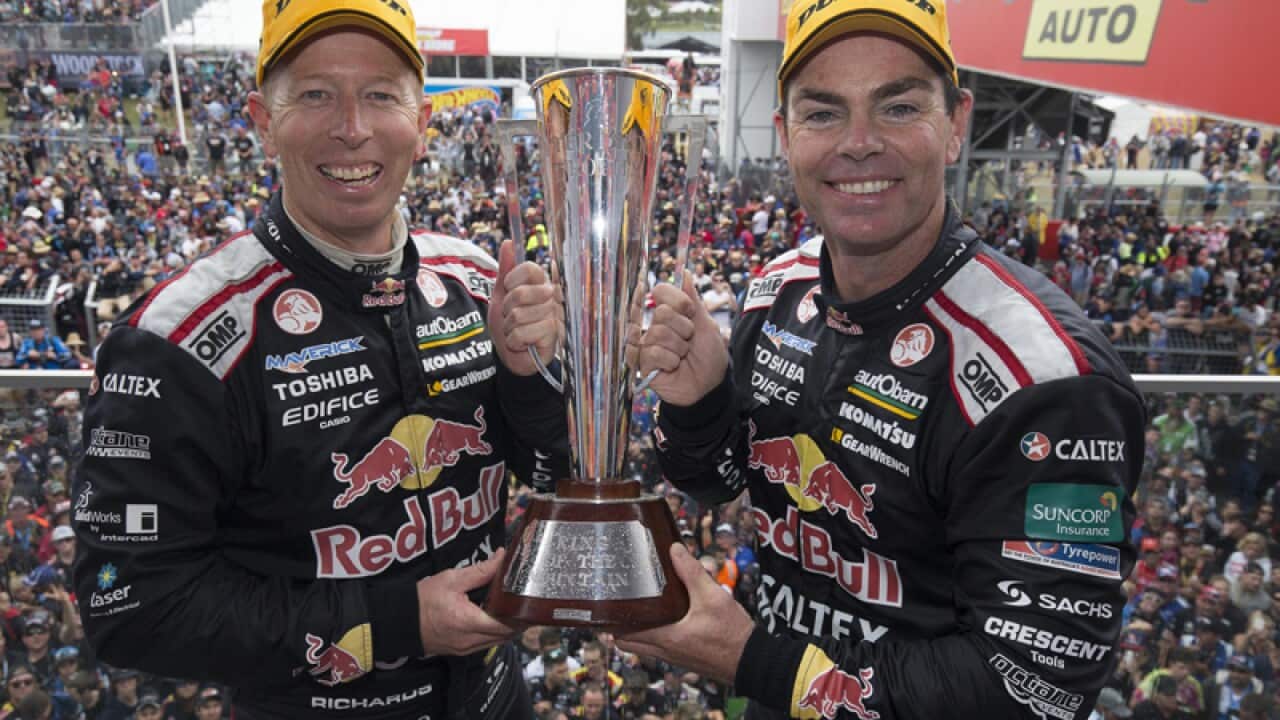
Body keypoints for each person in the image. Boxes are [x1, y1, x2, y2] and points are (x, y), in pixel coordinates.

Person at [623, 0, 1143, 718]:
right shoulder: (776, 290)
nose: (859, 143)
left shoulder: (1046, 380)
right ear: (785, 135)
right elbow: (713, 482)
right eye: (824, 112)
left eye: (897, 107)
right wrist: (699, 403)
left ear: (957, 124)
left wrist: (753, 660)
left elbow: (1035, 688)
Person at [72, 1, 568, 718]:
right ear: (260, 120)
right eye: (314, 94)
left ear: (422, 122)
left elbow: (553, 469)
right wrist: (394, 621)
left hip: (496, 699)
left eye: (379, 94)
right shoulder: (179, 340)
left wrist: (530, 383)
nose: (352, 127)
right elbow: (128, 606)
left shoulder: (478, 277)